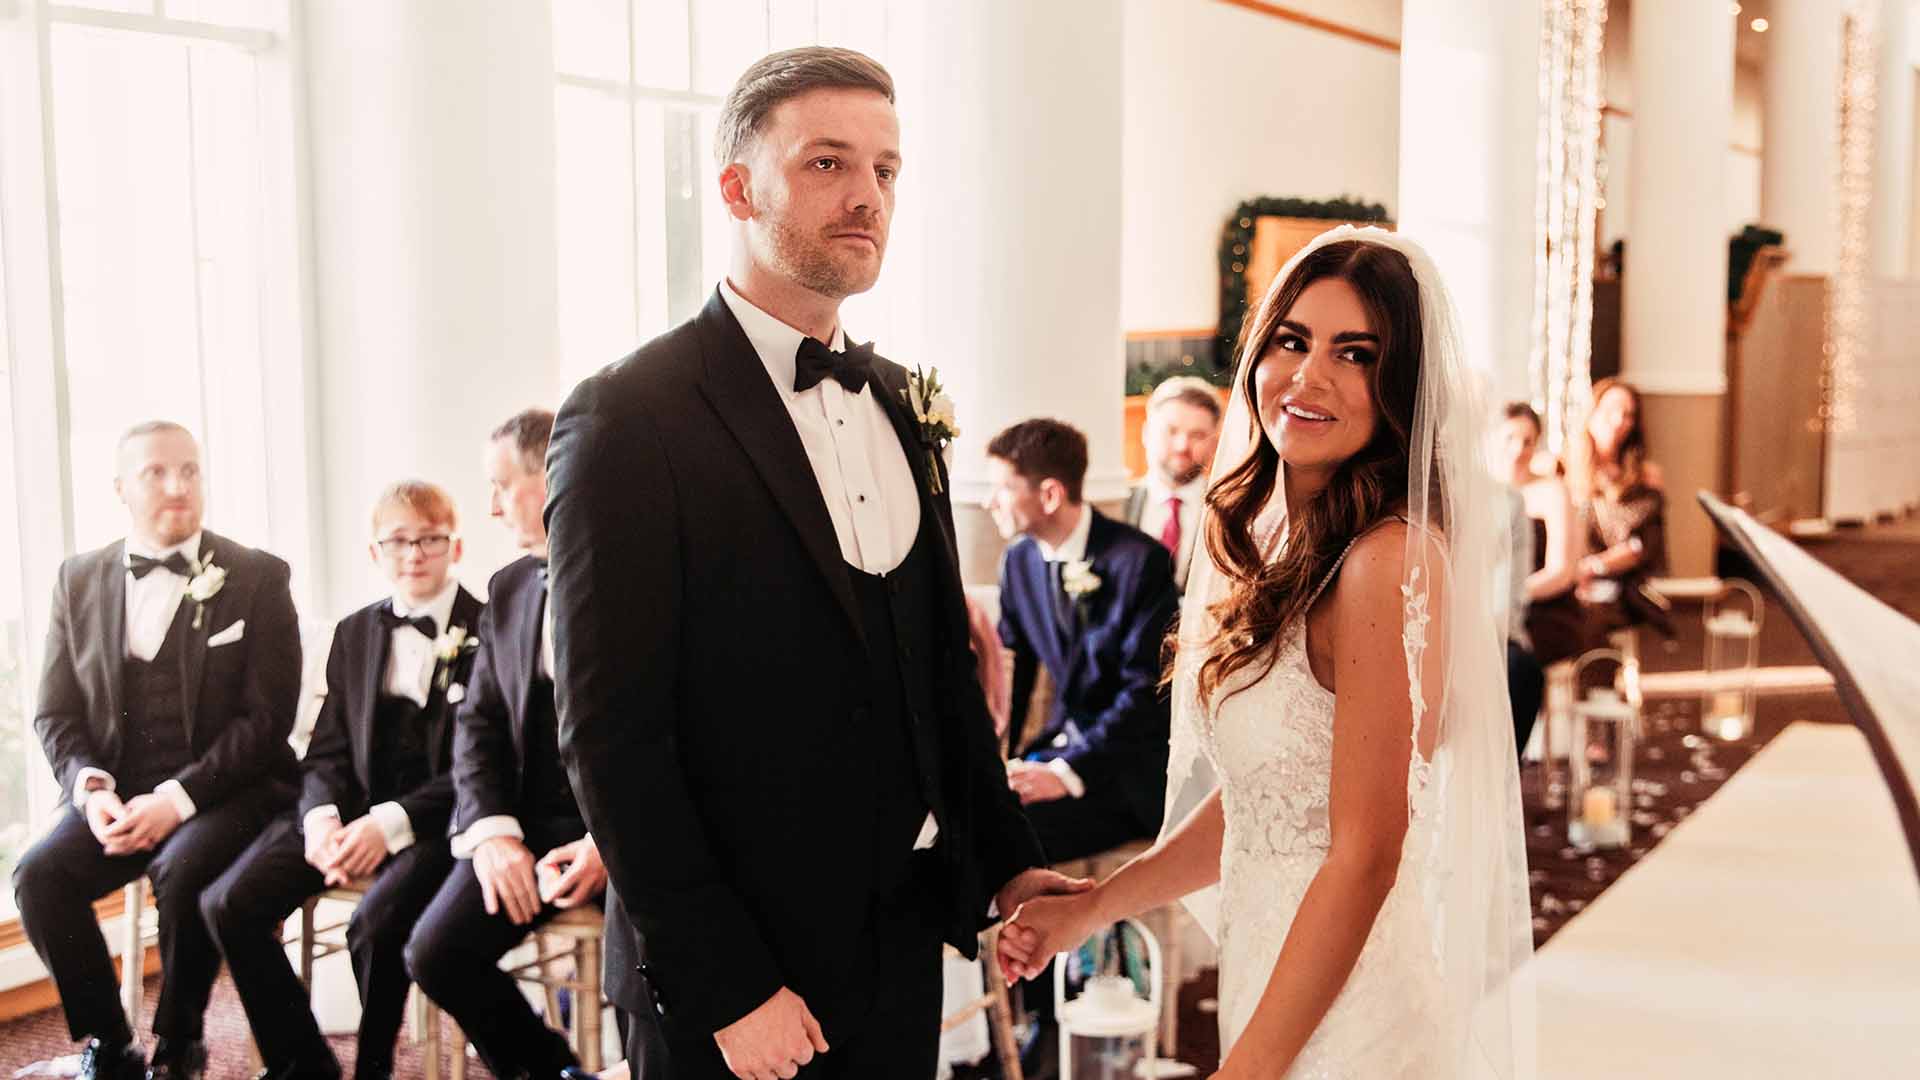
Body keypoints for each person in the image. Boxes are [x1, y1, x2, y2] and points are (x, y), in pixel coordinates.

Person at [544, 46, 1083, 1080]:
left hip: (897, 937)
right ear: (739, 188)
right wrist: (725, 983)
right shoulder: (628, 415)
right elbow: (612, 738)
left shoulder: (897, 397)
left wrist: (1010, 863)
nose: (867, 197)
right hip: (733, 968)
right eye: (828, 163)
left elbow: (939, 679)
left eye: (885, 170)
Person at [997, 228, 1533, 1078]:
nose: (1309, 376)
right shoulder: (1284, 537)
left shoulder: (1383, 560)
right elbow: (1267, 803)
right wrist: (1095, 906)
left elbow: (1364, 856)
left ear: (1398, 386)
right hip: (1279, 981)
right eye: (1292, 341)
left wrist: (1247, 1070)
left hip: (1344, 1017)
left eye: (1354, 354)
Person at [15, 421, 302, 1080]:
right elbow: (56, 713)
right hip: (116, 796)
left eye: (190, 471)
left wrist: (176, 801)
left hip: (230, 793)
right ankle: (111, 1045)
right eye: (156, 473)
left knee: (183, 867)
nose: (178, 487)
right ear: (120, 488)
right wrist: (91, 791)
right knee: (38, 876)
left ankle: (181, 1041)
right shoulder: (76, 579)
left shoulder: (256, 577)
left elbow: (266, 722)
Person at [200, 481, 482, 1080]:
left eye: (430, 539)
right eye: (399, 541)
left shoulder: (491, 627)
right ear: (375, 553)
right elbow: (327, 746)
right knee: (228, 903)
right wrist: (322, 817)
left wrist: (389, 825)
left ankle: (372, 1069)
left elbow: (480, 765)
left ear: (455, 547)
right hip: (350, 809)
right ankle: (302, 1064)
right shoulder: (356, 632)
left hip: (438, 822)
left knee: (373, 926)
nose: (414, 555)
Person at [400, 411, 629, 1080]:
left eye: (501, 486)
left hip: (630, 836)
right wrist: (495, 835)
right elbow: (479, 726)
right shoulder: (508, 587)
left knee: (653, 976)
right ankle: (554, 1073)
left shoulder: (637, 573)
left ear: (552, 477)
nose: (492, 506)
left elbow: (679, 735)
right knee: (435, 953)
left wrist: (608, 847)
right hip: (529, 831)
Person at [986, 417, 1177, 862]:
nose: (988, 502)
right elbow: (1010, 676)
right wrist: (991, 762)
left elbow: (1144, 693)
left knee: (1011, 835)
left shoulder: (1140, 562)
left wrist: (1066, 771)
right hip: (1061, 745)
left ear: (1050, 494)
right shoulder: (1019, 562)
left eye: (1003, 489)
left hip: (1128, 770)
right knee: (977, 811)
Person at [1489, 402, 1588, 753]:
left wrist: (1509, 599)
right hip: (1496, 607)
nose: (1519, 449)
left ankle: (1506, 758)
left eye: (1529, 441)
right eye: (1511, 438)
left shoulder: (1551, 491)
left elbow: (1561, 572)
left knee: (1514, 665)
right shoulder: (1481, 492)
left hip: (1547, 607)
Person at [1569, 378, 1671, 639]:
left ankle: (1596, 678)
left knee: (1594, 614)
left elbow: (1641, 547)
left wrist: (1592, 567)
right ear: (1592, 412)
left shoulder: (1644, 477)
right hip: (1567, 577)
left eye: (1628, 414)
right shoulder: (1563, 470)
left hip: (1619, 583)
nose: (1618, 421)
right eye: (1610, 410)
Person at [1123, 376, 1222, 592]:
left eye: (1197, 435)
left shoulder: (1229, 510)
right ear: (1146, 433)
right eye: (1171, 431)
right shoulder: (1118, 504)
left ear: (1214, 445)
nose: (1182, 446)